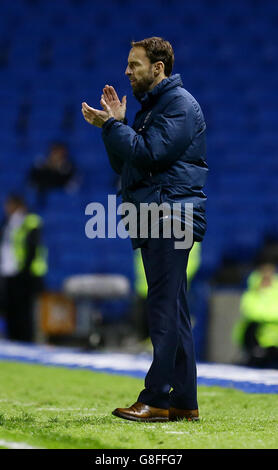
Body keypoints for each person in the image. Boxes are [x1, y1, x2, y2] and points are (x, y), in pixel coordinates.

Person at [81, 37, 208, 422]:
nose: (127, 71)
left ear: (158, 68)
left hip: (170, 215)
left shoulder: (179, 106)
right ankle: (184, 402)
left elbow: (149, 154)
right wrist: (114, 127)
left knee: (163, 311)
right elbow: (128, 166)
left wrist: (114, 127)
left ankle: (156, 398)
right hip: (156, 214)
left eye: (134, 64)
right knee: (173, 309)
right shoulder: (154, 109)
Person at [0, 194, 47, 342]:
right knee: (11, 309)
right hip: (10, 272)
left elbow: (31, 248)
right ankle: (13, 338)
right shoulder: (7, 223)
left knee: (25, 311)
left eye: (10, 205)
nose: (6, 208)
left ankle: (27, 339)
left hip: (28, 274)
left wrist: (24, 269)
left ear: (19, 205)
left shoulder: (31, 221)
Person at [233, 263, 278, 367]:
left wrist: (263, 316)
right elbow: (249, 312)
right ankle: (256, 353)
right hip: (256, 336)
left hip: (274, 337)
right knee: (252, 325)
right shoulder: (251, 292)